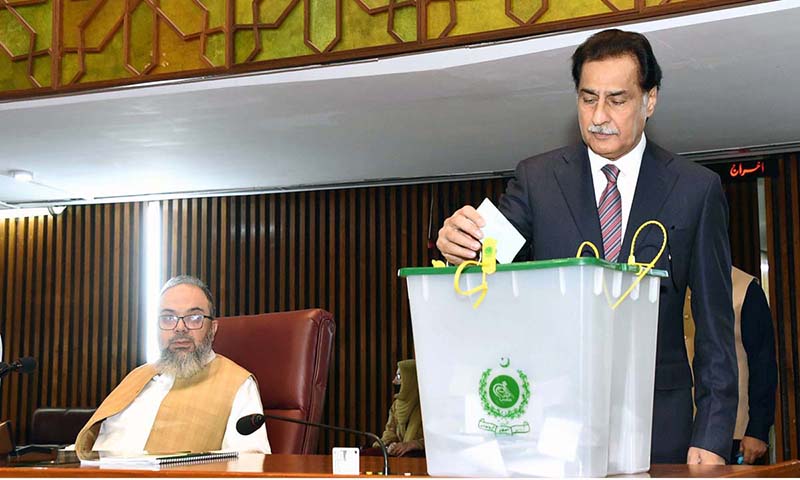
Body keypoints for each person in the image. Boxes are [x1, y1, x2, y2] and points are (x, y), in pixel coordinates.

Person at [436, 29, 737, 464]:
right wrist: (458, 246)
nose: (599, 115)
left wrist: (711, 435)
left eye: (617, 99)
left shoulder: (696, 189)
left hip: (659, 423)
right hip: (553, 423)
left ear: (649, 100)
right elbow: (485, 264)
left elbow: (715, 329)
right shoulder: (537, 181)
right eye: (587, 98)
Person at [75, 275, 270, 458]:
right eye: (168, 318)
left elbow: (250, 464)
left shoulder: (238, 384)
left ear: (213, 328)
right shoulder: (138, 376)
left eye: (194, 318)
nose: (180, 328)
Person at [684, 266, 777, 464]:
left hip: (734, 433)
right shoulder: (675, 282)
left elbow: (763, 363)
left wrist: (758, 430)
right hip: (682, 430)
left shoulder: (745, 288)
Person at [373, 359, 424, 457]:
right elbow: (390, 431)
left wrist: (412, 445)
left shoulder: (427, 406)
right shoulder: (396, 405)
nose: (394, 381)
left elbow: (438, 440)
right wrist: (390, 445)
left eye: (399, 377)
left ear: (410, 379)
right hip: (399, 455)